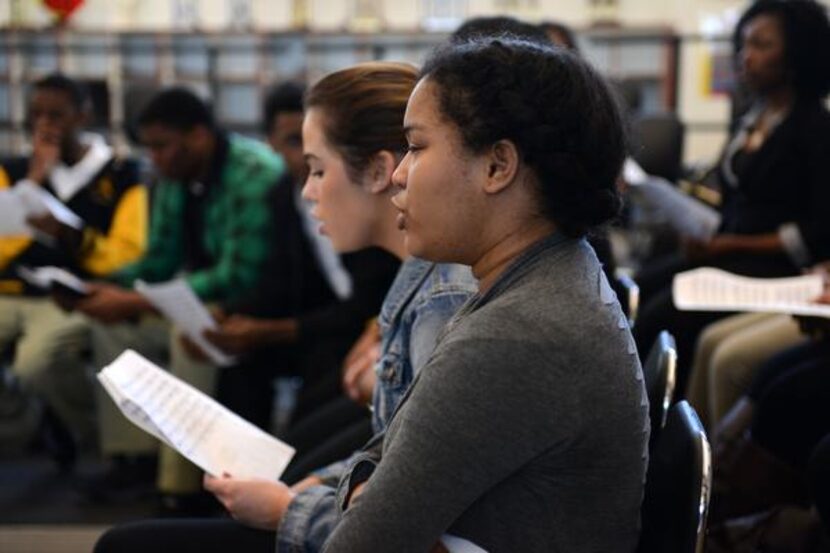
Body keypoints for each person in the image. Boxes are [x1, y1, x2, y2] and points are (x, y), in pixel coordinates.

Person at [98, 37, 648, 553]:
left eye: (416, 147)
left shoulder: (513, 334)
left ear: (498, 166)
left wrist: (321, 502)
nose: (400, 175)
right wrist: (359, 487)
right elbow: (388, 461)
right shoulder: (542, 276)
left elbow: (363, 541)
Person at [74, 87, 284, 503]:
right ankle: (134, 460)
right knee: (113, 327)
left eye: (161, 146)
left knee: (189, 336)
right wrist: (106, 287)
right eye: (149, 147)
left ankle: (181, 486)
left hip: (252, 307)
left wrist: (138, 301)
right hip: (201, 299)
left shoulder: (253, 171)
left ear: (199, 136)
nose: (153, 157)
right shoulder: (176, 176)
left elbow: (239, 275)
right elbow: (159, 261)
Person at [634, 0, 830, 393]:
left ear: (796, 54)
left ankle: (661, 428)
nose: (746, 56)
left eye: (761, 45)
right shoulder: (752, 118)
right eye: (743, 44)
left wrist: (727, 245)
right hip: (731, 251)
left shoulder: (815, 128)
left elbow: (816, 233)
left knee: (665, 312)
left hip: (778, 268)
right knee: (643, 284)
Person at [209, 81, 400, 447]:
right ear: (271, 145)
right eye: (296, 146)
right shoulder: (283, 195)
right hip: (331, 323)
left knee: (311, 422)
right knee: (240, 360)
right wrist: (233, 317)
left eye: (318, 164)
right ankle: (230, 473)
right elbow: (277, 279)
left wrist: (277, 329)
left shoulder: (369, 208)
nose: (308, 182)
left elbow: (376, 301)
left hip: (351, 329)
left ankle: (284, 477)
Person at [0, 73, 147, 466]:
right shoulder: (12, 171)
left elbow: (125, 256)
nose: (44, 126)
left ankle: (95, 438)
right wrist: (32, 183)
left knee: (35, 363)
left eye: (56, 115)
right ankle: (28, 423)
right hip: (13, 290)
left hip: (73, 296)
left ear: (83, 116)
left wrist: (71, 234)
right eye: (35, 115)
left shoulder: (121, 174)